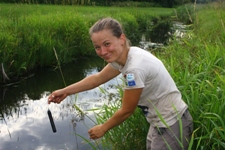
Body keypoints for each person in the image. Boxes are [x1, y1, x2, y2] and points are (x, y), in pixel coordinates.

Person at [48, 17, 193, 150]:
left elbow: (126, 110)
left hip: (172, 124)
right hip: (159, 122)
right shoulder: (126, 55)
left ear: (121, 39)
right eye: (97, 47)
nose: (103, 51)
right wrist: (65, 91)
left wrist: (103, 128)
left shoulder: (134, 68)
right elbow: (97, 79)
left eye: (107, 44)